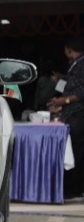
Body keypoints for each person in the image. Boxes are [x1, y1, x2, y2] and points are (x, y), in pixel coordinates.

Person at [47, 38, 84, 198]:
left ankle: (74, 189)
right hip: (72, 113)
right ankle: (71, 187)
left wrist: (64, 101)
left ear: (69, 49)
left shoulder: (82, 64)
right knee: (73, 150)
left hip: (78, 114)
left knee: (76, 151)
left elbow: (81, 90)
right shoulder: (76, 64)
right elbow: (73, 84)